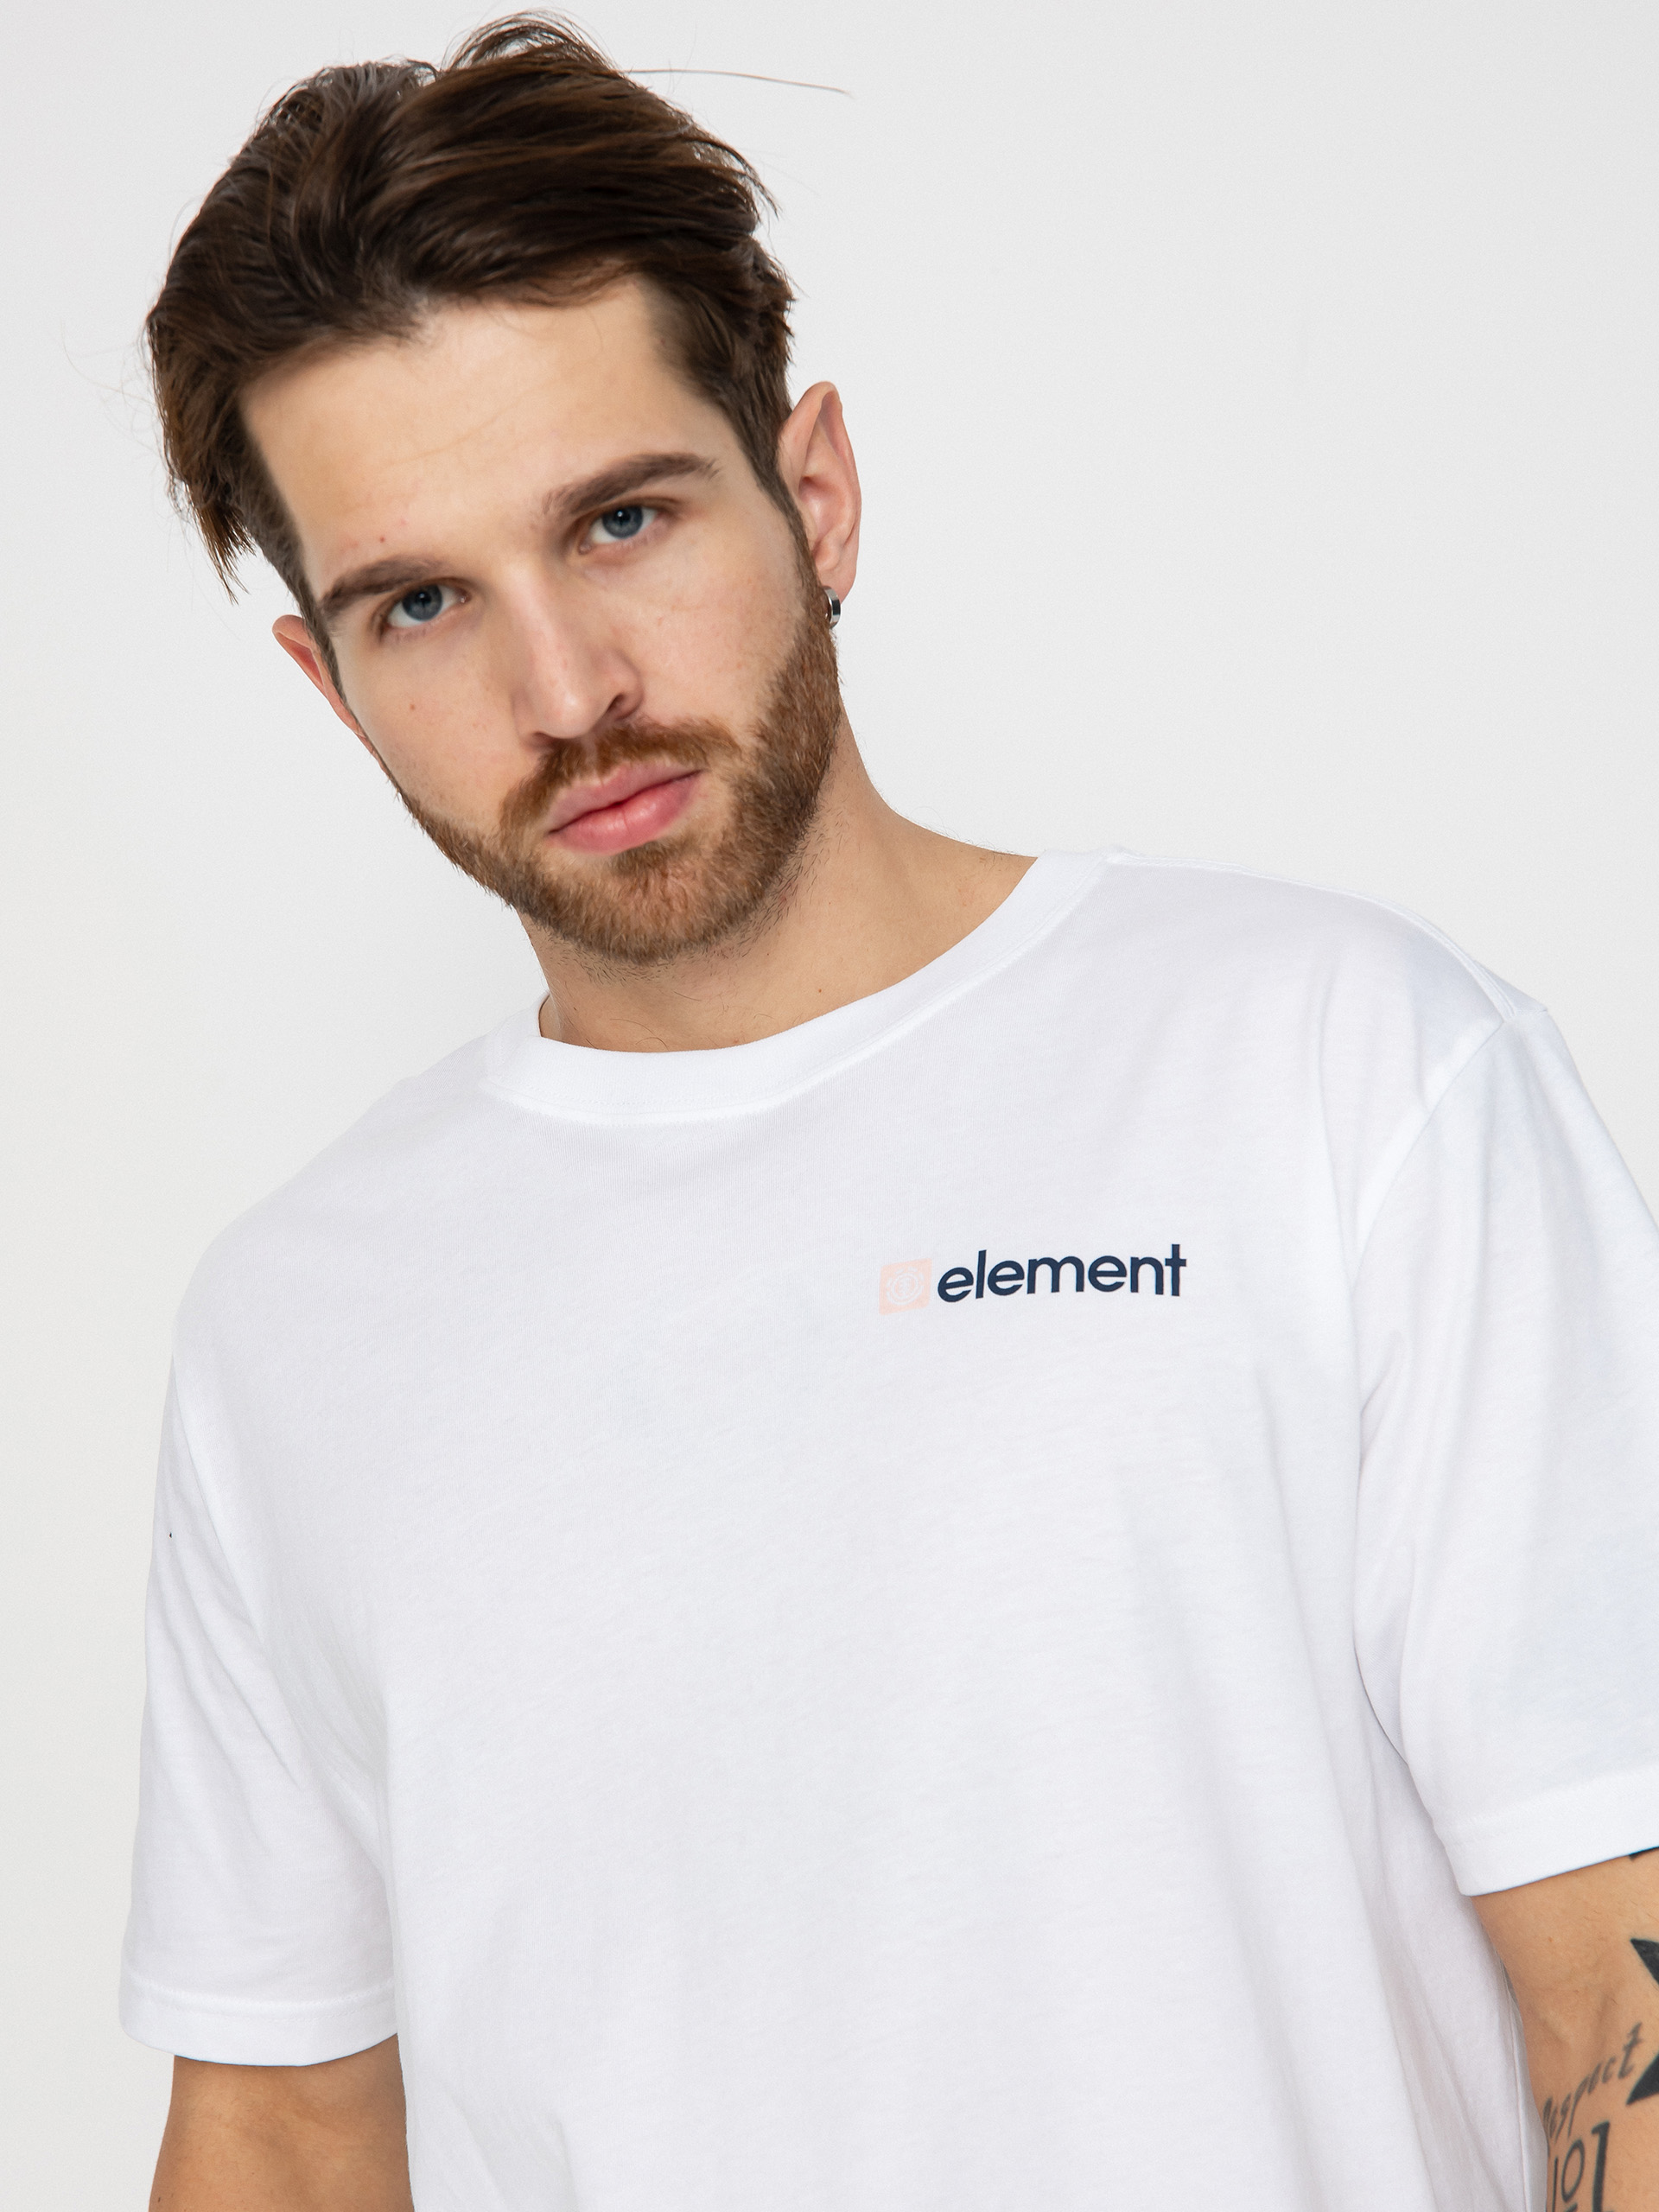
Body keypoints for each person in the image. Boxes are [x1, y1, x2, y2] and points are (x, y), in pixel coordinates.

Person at [123, 16, 1659, 2210]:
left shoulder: (1341, 1071)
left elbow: (1620, 1983)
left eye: (623, 518)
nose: (568, 692)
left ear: (814, 490)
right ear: (329, 680)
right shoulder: (295, 1321)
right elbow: (283, 2128)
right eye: (424, 601)